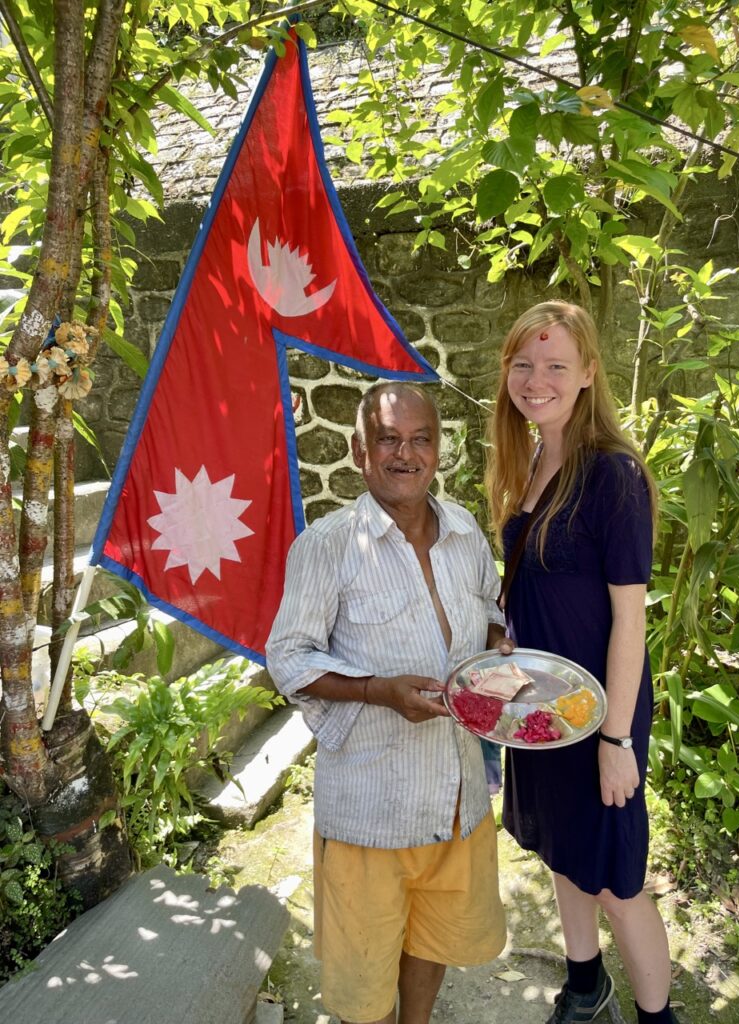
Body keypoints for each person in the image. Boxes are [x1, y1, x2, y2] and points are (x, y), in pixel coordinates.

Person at [266, 381, 508, 1024]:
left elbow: (491, 610)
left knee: (433, 937)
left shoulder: (465, 531)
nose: (406, 454)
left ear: (438, 449)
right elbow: (288, 657)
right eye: (388, 439)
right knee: (364, 976)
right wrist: (377, 690)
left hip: (457, 796)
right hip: (371, 806)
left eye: (421, 439)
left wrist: (499, 646)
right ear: (358, 451)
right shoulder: (328, 545)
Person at [485, 301, 679, 1024]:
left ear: (589, 374)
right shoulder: (533, 458)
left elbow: (630, 620)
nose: (536, 380)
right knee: (561, 851)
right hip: (540, 704)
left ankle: (659, 1018)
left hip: (601, 715)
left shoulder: (613, 476)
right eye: (523, 364)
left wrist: (616, 739)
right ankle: (585, 983)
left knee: (618, 884)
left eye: (556, 365)